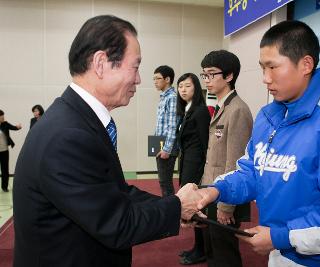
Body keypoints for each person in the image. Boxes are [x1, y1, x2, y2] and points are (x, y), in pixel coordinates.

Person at [12, 15, 201, 267]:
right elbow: (116, 224)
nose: (139, 79)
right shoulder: (69, 135)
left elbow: (114, 191)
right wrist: (177, 206)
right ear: (101, 63)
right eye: (135, 67)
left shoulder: (75, 119)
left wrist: (173, 206)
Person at [196, 20, 320, 267]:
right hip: (279, 251)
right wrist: (214, 190)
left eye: (273, 67)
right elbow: (252, 171)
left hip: (318, 260)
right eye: (262, 68)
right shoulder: (267, 117)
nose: (265, 78)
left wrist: (280, 236)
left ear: (306, 64)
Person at [200, 50, 253, 267]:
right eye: (204, 75)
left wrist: (226, 206)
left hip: (225, 195)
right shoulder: (223, 106)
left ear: (229, 76)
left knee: (224, 254)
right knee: (213, 248)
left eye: (212, 74)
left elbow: (236, 162)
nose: (207, 80)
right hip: (212, 189)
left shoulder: (238, 110)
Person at [176, 73, 211, 265]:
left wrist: (201, 175)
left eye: (187, 86)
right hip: (186, 165)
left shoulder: (200, 111)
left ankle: (202, 250)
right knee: (194, 211)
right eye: (180, 86)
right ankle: (197, 248)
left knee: (197, 210)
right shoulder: (187, 110)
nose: (183, 89)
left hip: (195, 167)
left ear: (196, 88)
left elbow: (206, 146)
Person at [153, 65, 179, 196]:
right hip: (159, 142)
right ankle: (168, 208)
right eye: (154, 79)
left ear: (167, 79)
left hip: (166, 145)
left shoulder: (172, 97)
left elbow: (172, 125)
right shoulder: (163, 97)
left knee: (166, 182)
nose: (155, 82)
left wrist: (167, 149)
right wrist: (154, 144)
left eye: (158, 78)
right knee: (162, 181)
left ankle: (170, 212)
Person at [0, 109, 22, 192]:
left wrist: (18, 127)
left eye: (3, 116)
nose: (3, 118)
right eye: (1, 116)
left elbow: (13, 127)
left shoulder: (5, 124)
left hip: (4, 151)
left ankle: (4, 187)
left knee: (5, 169)